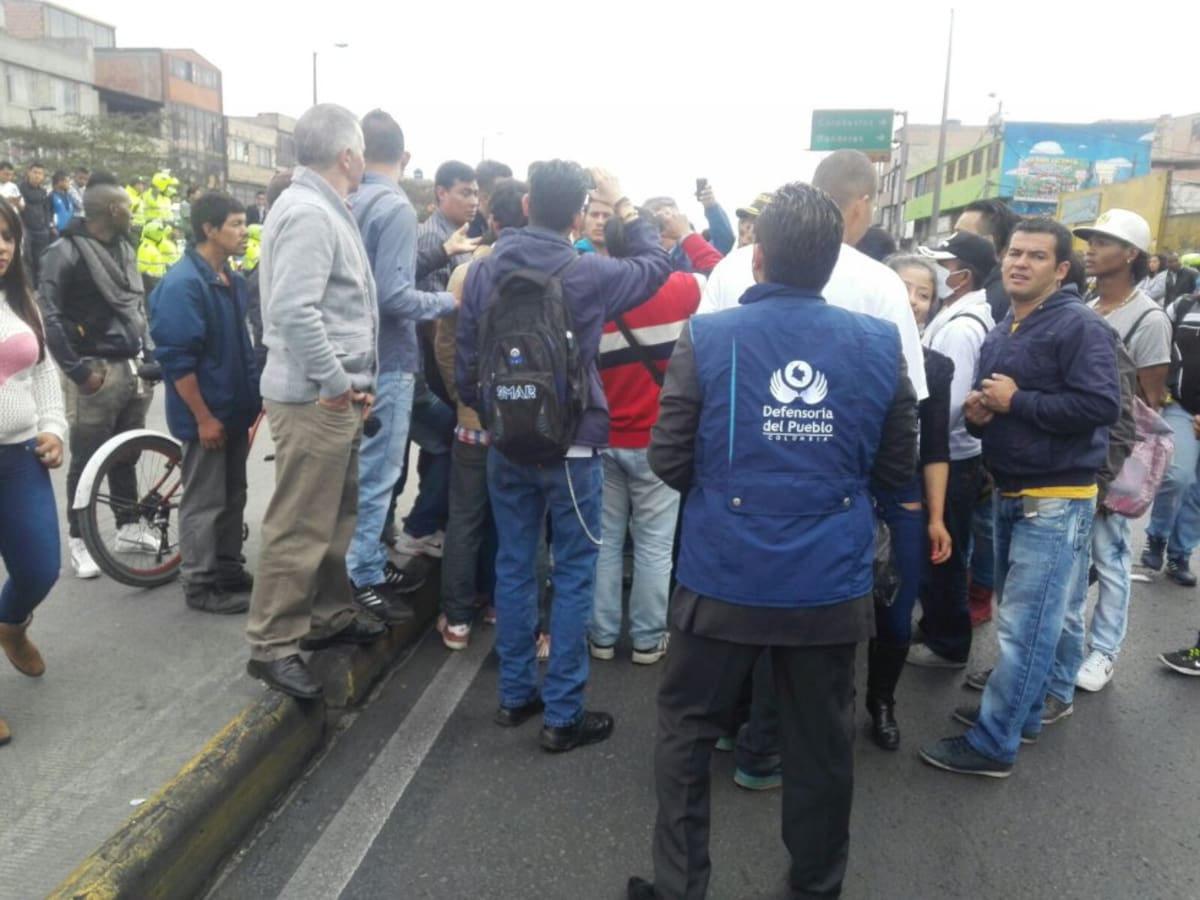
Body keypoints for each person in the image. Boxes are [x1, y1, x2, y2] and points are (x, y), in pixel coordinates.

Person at [626, 181, 917, 900]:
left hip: (722, 573)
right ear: (832, 262)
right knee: (821, 748)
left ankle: (679, 886)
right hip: (829, 581)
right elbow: (896, 466)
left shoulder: (711, 334)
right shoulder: (879, 343)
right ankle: (815, 889)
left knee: (687, 734)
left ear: (756, 259)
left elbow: (669, 457)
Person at [456, 160, 670, 752]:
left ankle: (515, 695)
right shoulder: (588, 272)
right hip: (575, 445)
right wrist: (624, 204)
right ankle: (563, 714)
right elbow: (657, 266)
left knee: (515, 564)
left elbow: (468, 363)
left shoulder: (482, 270)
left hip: (507, 443)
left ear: (525, 206)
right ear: (579, 214)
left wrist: (498, 415)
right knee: (574, 572)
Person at [920, 218, 1121, 778]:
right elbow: (1001, 414)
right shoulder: (1004, 326)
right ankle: (1020, 715)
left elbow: (1101, 407)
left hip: (1054, 500)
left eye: (1036, 256)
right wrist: (983, 417)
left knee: (1024, 627)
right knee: (1027, 622)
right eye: (1014, 253)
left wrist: (1018, 402)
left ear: (1060, 270)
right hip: (1011, 492)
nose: (1020, 264)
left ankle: (994, 742)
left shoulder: (1079, 327)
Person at [244, 104, 387, 700]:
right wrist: (335, 383)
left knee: (334, 515)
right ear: (348, 156)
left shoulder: (321, 206)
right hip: (316, 398)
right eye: (360, 152)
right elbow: (294, 312)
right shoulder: (308, 212)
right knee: (301, 521)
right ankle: (273, 644)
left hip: (333, 394)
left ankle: (329, 617)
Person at [589, 209, 722, 666]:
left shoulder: (595, 294)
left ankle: (601, 636)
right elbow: (720, 271)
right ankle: (647, 639)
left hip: (603, 438)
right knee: (654, 545)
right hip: (659, 442)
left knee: (604, 543)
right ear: (654, 246)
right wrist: (687, 233)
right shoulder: (682, 289)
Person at [698, 150, 928, 404]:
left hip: (735, 435)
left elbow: (698, 368)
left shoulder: (729, 268)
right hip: (846, 439)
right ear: (862, 206)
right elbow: (906, 397)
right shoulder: (882, 283)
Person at [345, 109, 455, 624]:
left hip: (355, 356)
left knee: (369, 472)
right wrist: (450, 304)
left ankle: (366, 561)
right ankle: (364, 574)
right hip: (388, 357)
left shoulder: (348, 198)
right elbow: (393, 297)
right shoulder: (392, 207)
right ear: (405, 158)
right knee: (380, 472)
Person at [1071, 210, 1171, 692]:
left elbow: (1147, 406)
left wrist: (1114, 471)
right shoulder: (1089, 304)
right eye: (1089, 240)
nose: (1091, 248)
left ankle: (1104, 651)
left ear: (1131, 255)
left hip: (1116, 455)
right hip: (1078, 449)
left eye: (1104, 241)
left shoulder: (1148, 317)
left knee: (1110, 556)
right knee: (1075, 555)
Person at [37, 179, 156, 580]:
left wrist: (149, 352)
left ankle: (128, 526)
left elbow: (136, 308)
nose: (132, 213)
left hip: (129, 365)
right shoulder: (64, 252)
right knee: (87, 459)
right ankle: (80, 540)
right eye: (126, 206)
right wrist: (78, 371)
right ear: (110, 211)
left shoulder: (123, 248)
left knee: (127, 452)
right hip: (93, 370)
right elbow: (49, 314)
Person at [149, 192, 260, 615]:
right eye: (234, 223)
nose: (244, 231)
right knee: (205, 501)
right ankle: (199, 584)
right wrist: (203, 418)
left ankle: (227, 569)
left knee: (233, 496)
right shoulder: (183, 284)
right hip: (207, 417)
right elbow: (178, 362)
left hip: (232, 412)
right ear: (209, 229)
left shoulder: (229, 278)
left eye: (244, 223)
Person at [434, 177, 528, 650]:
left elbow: (446, 345)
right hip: (529, 422)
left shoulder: (466, 273)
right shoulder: (552, 268)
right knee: (521, 524)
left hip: (474, 420)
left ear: (491, 220)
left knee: (466, 519)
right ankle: (504, 609)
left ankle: (457, 620)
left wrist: (462, 396)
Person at [906, 230, 998, 664]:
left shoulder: (962, 329)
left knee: (945, 554)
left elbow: (948, 406)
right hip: (949, 456)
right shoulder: (953, 317)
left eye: (942, 266)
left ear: (961, 275)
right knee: (942, 552)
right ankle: (935, 629)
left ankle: (949, 644)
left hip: (952, 459)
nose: (937, 274)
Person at [0, 198, 67, 748]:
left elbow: (44, 377)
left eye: (6, 235)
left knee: (41, 567)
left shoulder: (22, 302)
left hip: (20, 460)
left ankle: (10, 624)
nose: (1, 245)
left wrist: (54, 429)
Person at [1142, 285, 1200, 587]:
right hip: (1182, 408)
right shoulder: (1183, 305)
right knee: (1177, 476)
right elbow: (1161, 347)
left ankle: (1180, 554)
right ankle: (1157, 537)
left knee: (1198, 492)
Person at [954, 198, 1020, 322]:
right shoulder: (975, 284)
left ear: (988, 242)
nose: (951, 241)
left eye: (960, 235)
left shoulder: (995, 298)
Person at [19, 163, 54, 287]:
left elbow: (47, 209)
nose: (37, 175)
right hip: (26, 230)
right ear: (28, 172)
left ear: (43, 176)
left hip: (42, 230)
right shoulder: (20, 189)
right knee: (27, 260)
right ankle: (29, 287)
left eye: (40, 173)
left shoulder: (44, 191)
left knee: (41, 259)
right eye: (35, 172)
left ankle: (40, 286)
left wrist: (48, 225)